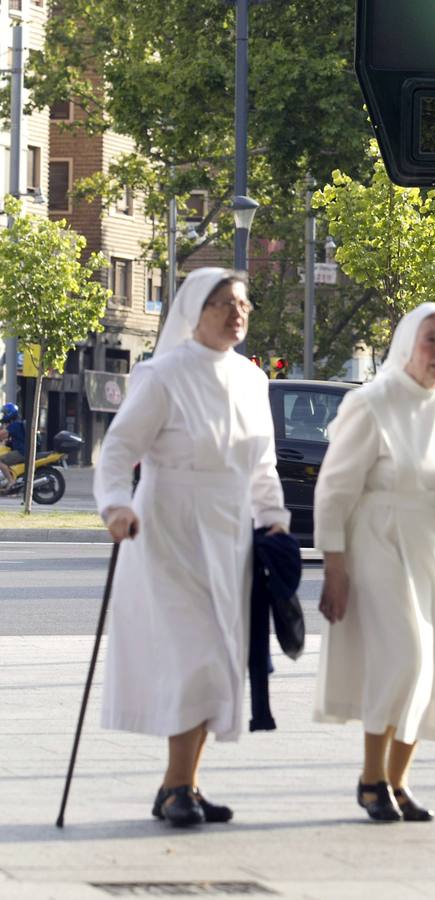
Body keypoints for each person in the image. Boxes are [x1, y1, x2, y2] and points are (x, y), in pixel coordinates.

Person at [94, 267, 290, 828]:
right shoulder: (161, 376)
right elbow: (117, 451)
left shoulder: (253, 381)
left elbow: (263, 464)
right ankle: (179, 786)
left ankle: (182, 785)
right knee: (194, 657)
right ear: (194, 310)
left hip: (230, 535)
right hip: (169, 532)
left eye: (244, 303)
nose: (238, 313)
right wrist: (115, 506)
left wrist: (274, 520)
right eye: (225, 303)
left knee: (219, 662)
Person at [313, 303, 435, 823]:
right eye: (432, 340)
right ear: (409, 342)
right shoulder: (372, 402)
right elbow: (333, 490)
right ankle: (371, 777)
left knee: (434, 667)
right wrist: (335, 565)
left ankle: (398, 781)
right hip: (380, 543)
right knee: (406, 659)